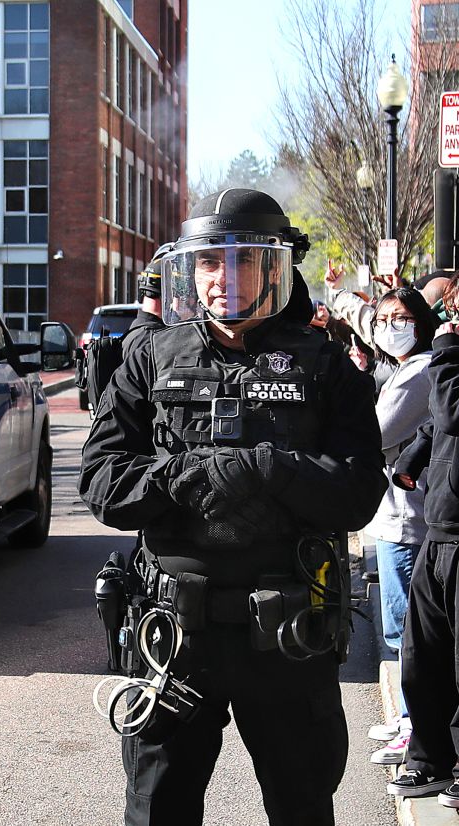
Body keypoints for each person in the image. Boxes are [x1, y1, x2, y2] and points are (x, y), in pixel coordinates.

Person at [79, 189, 386, 825]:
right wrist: (189, 477)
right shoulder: (147, 357)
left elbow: (358, 493)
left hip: (287, 634)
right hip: (173, 634)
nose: (225, 279)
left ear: (277, 268)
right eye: (211, 263)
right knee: (157, 808)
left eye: (244, 260)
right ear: (189, 270)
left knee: (302, 804)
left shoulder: (327, 367)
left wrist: (266, 469)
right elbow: (103, 481)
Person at [389, 274, 459, 806]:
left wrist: (447, 350)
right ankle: (429, 759)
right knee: (422, 657)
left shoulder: (449, 357)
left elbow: (455, 410)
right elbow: (438, 424)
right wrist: (412, 461)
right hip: (439, 528)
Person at [358, 288, 436, 766]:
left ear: (421, 322)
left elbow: (376, 432)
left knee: (407, 630)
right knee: (399, 629)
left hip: (410, 519)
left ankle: (415, 725)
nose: (391, 326)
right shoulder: (404, 368)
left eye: (402, 317)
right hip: (396, 516)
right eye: (384, 318)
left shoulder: (420, 370)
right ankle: (410, 718)